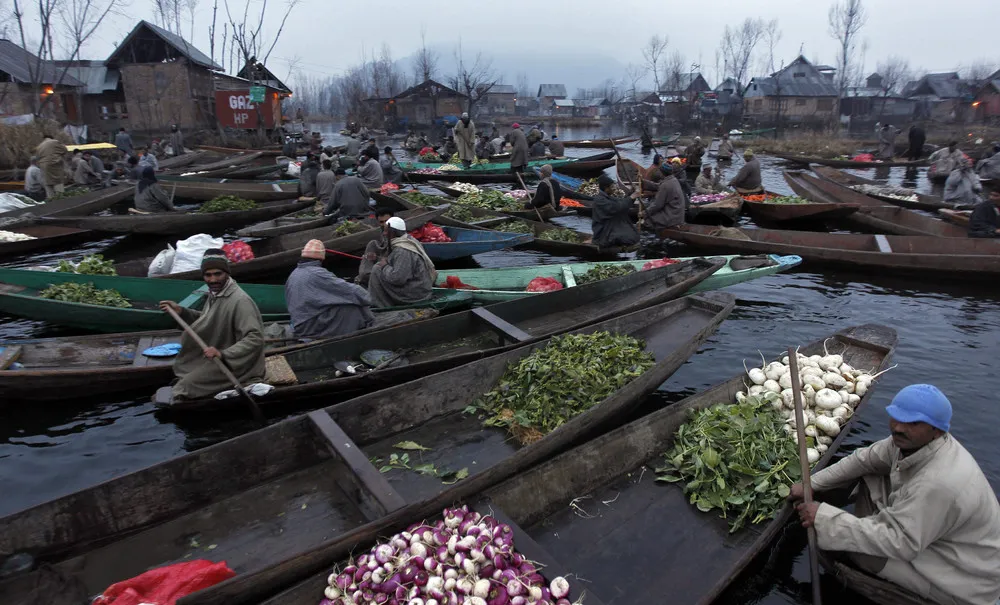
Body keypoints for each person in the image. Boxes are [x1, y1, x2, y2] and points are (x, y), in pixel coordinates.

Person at [790, 384, 1000, 605]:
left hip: (965, 577)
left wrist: (823, 517)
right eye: (895, 418)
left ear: (937, 430)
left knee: (856, 551)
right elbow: (864, 459)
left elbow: (901, 542)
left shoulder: (939, 482)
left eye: (913, 423)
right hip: (934, 534)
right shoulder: (911, 444)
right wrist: (811, 484)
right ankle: (862, 527)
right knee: (869, 473)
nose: (898, 428)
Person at [158, 250, 266, 401]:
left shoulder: (240, 301)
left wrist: (224, 354)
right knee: (183, 371)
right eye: (208, 275)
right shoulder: (215, 293)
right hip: (218, 356)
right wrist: (181, 311)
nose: (213, 279)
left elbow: (255, 338)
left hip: (238, 364)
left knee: (184, 388)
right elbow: (207, 319)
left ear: (227, 273)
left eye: (218, 274)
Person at [285, 239, 375, 340]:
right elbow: (349, 291)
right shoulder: (318, 274)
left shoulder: (294, 274)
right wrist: (368, 297)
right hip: (309, 327)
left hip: (299, 325)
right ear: (321, 259)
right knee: (353, 307)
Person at [366, 216, 435, 307]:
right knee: (378, 266)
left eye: (386, 231)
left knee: (376, 269)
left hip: (415, 294)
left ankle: (381, 305)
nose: (384, 233)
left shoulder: (402, 250)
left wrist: (384, 266)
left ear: (393, 232)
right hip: (418, 287)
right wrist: (377, 259)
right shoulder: (409, 240)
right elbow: (397, 264)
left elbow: (398, 279)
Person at [591, 174, 639, 249]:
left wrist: (631, 193)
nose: (613, 189)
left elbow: (620, 202)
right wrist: (631, 198)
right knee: (628, 238)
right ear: (606, 188)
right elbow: (616, 207)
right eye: (612, 187)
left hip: (609, 228)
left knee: (632, 236)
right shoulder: (599, 200)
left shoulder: (608, 197)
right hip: (603, 231)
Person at [644, 162, 686, 231]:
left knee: (647, 221)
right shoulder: (674, 180)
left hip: (672, 217)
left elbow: (657, 205)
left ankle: (661, 233)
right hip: (678, 215)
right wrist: (644, 182)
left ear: (662, 173)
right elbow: (658, 185)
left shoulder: (665, 185)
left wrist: (645, 213)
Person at [35, 134, 67, 198]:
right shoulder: (55, 142)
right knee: (58, 183)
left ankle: (50, 200)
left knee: (48, 184)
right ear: (51, 138)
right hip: (54, 164)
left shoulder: (39, 146)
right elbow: (64, 150)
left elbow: (37, 157)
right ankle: (61, 198)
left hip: (43, 166)